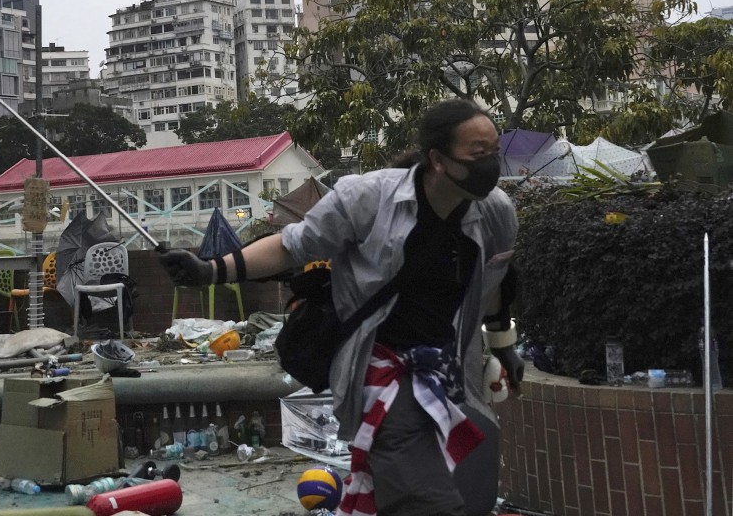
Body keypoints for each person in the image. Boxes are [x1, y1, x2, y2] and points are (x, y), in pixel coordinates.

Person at [160, 98, 523, 516]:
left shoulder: (496, 214)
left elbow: (494, 283)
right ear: (438, 159)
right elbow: (289, 246)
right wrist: (209, 271)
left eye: (495, 151)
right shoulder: (369, 198)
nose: (490, 164)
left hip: (445, 369)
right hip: (380, 368)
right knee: (427, 497)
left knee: (408, 484)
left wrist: (503, 345)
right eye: (478, 155)